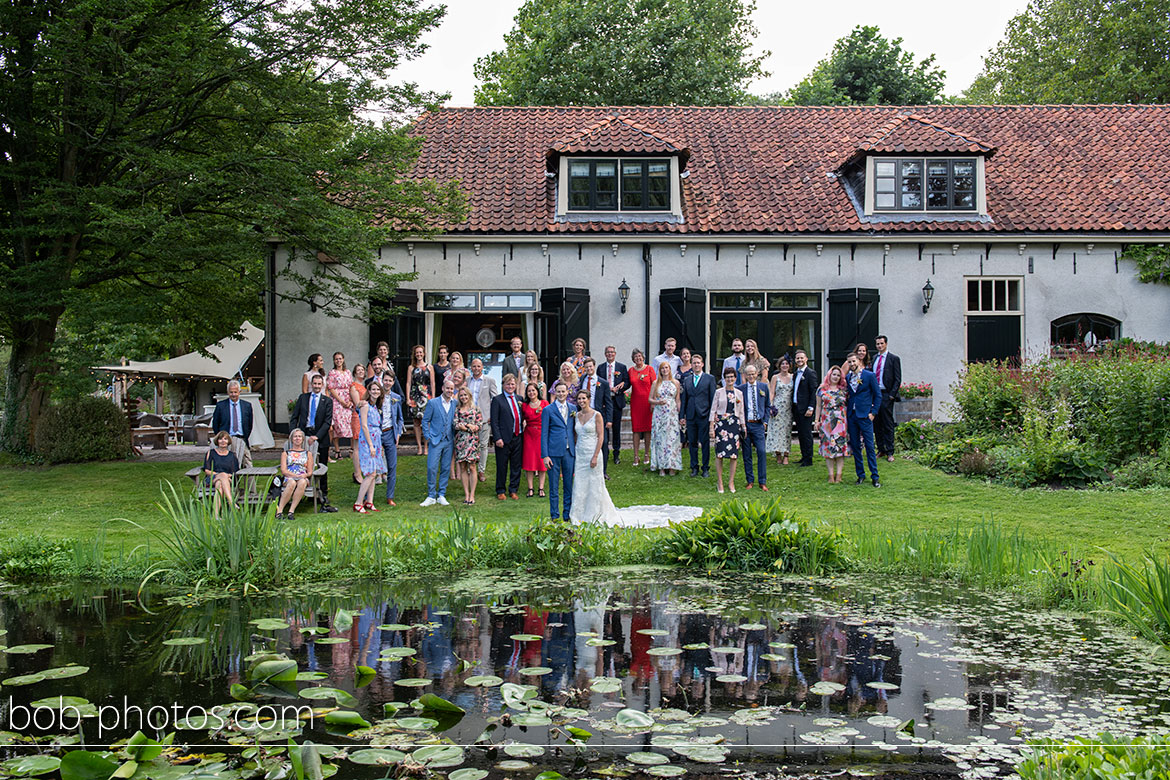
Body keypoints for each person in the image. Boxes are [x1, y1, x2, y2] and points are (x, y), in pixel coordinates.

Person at [570, 388, 623, 524]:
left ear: (589, 399)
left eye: (584, 398)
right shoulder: (577, 415)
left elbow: (601, 437)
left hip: (593, 452)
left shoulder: (597, 415)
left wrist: (595, 456)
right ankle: (578, 514)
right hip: (580, 453)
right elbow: (576, 435)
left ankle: (595, 514)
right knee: (580, 484)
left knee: (594, 484)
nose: (581, 401)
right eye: (579, 399)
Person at [288, 373, 338, 512]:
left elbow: (328, 421)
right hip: (304, 434)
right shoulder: (303, 398)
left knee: (321, 465)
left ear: (322, 385)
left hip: (320, 437)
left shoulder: (327, 401)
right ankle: (304, 491)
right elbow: (295, 417)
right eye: (314, 384)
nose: (316, 386)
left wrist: (317, 436)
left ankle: (323, 493)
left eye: (318, 384)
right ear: (311, 385)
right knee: (303, 464)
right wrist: (294, 434)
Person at [845, 352, 882, 487]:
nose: (852, 364)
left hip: (865, 416)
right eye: (849, 362)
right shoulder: (848, 377)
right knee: (855, 446)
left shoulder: (869, 375)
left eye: (853, 361)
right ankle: (860, 475)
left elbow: (878, 396)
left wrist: (873, 412)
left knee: (870, 447)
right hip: (852, 416)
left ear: (858, 361)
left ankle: (875, 476)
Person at [541, 382, 576, 520]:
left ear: (568, 392)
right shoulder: (548, 410)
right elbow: (544, 433)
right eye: (558, 392)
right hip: (553, 452)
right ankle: (554, 516)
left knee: (568, 486)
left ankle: (567, 514)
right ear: (555, 392)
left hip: (569, 452)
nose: (561, 394)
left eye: (563, 391)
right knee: (554, 487)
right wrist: (545, 455)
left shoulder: (573, 408)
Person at [420, 378, 457, 506]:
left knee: (446, 468)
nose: (449, 390)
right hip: (435, 440)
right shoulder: (433, 403)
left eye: (452, 389)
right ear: (443, 388)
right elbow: (425, 421)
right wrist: (427, 435)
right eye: (447, 388)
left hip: (449, 440)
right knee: (432, 467)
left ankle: (441, 494)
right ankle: (431, 495)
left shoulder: (455, 404)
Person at [679, 353, 716, 477]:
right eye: (694, 363)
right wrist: (682, 416)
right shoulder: (687, 379)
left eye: (698, 363)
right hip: (691, 415)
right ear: (692, 365)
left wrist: (712, 416)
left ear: (702, 364)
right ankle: (694, 467)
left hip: (704, 414)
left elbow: (712, 399)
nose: (696, 365)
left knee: (705, 443)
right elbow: (684, 399)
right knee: (692, 442)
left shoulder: (709, 378)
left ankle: (705, 468)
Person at [710, 367, 746, 493]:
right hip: (721, 425)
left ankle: (731, 482)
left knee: (733, 456)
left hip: (734, 425)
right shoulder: (719, 392)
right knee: (720, 455)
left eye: (732, 377)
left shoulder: (739, 393)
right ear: (724, 379)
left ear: (735, 378)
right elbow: (713, 410)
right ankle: (720, 482)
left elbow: (741, 411)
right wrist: (711, 427)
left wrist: (743, 426)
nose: (730, 379)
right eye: (727, 377)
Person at [490, 373, 524, 500]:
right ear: (503, 385)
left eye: (512, 384)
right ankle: (500, 490)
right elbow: (494, 421)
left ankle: (513, 490)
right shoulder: (497, 400)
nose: (510, 386)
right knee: (502, 465)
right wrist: (497, 437)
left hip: (518, 436)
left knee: (516, 465)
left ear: (516, 385)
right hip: (503, 439)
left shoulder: (520, 399)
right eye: (508, 384)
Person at [354, 380, 386, 513]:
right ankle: (358, 502)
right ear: (369, 391)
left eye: (378, 390)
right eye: (373, 389)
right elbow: (365, 426)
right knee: (370, 473)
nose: (376, 392)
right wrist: (371, 446)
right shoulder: (365, 405)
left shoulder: (375, 407)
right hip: (368, 441)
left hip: (376, 440)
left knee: (374, 473)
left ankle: (370, 501)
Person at [737, 364, 770, 491]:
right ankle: (750, 480)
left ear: (757, 374)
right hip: (746, 424)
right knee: (747, 454)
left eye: (753, 374)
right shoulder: (740, 389)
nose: (751, 376)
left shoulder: (763, 387)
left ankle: (762, 481)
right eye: (748, 374)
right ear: (745, 375)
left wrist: (765, 421)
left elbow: (767, 406)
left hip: (758, 424)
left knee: (761, 452)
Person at [816, 365, 851, 483]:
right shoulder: (822, 389)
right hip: (826, 422)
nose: (835, 377)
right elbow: (818, 406)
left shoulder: (844, 390)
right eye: (833, 374)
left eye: (838, 375)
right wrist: (817, 420)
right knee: (828, 450)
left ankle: (839, 475)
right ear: (829, 375)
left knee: (840, 448)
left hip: (841, 422)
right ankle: (831, 475)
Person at [467, 358, 498, 482]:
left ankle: (481, 470)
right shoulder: (467, 381)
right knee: (471, 445)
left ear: (482, 367)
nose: (476, 368)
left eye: (478, 366)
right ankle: (470, 469)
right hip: (469, 418)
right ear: (471, 367)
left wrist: (492, 415)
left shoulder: (489, 381)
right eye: (474, 366)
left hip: (484, 417)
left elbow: (495, 399)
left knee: (483, 445)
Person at [648, 361, 682, 476]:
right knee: (660, 439)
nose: (664, 370)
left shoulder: (676, 383)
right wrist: (658, 402)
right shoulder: (655, 383)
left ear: (670, 369)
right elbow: (650, 399)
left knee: (672, 439)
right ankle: (661, 466)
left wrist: (679, 414)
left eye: (666, 368)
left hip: (672, 414)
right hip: (659, 414)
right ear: (660, 370)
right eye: (662, 368)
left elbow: (678, 399)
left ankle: (672, 466)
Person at [872, 335, 902, 462]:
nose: (879, 346)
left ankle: (890, 451)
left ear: (886, 344)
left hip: (886, 394)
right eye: (877, 344)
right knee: (877, 423)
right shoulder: (874, 358)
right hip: (875, 394)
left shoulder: (893, 358)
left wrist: (891, 395)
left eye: (881, 343)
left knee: (888, 423)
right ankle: (881, 449)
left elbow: (897, 378)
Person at [597, 345, 628, 464]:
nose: (610, 354)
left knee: (616, 428)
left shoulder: (622, 367)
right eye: (608, 352)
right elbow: (598, 382)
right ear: (605, 354)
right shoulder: (600, 368)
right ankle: (605, 451)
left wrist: (620, 388)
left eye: (612, 352)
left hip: (617, 401)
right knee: (604, 427)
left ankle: (616, 453)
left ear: (615, 354)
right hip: (605, 402)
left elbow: (627, 382)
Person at [211, 379, 253, 468]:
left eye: (235, 392)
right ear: (227, 392)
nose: (233, 394)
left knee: (248, 464)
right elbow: (215, 424)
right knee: (226, 465)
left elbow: (249, 424)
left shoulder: (247, 406)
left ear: (239, 392)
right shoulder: (221, 406)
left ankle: (251, 482)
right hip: (226, 440)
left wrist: (245, 436)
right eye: (231, 392)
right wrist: (221, 438)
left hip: (242, 439)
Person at [453, 387, 483, 505]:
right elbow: (455, 424)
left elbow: (479, 425)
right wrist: (467, 426)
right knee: (463, 468)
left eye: (465, 395)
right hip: (460, 441)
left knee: (472, 467)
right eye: (461, 395)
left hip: (473, 441)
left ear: (469, 395)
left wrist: (471, 426)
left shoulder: (476, 410)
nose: (463, 397)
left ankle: (472, 495)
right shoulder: (457, 410)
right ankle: (466, 495)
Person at [275, 428, 314, 520]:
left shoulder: (308, 454)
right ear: (292, 439)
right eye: (295, 436)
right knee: (292, 483)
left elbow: (310, 471)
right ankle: (279, 511)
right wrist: (294, 475)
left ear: (303, 439)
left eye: (299, 436)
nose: (297, 438)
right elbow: (283, 470)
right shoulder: (286, 453)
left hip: (302, 476)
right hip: (289, 476)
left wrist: (304, 475)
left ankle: (291, 511)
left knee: (302, 482)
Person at [627, 348, 656, 466]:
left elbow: (655, 385)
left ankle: (646, 454)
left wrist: (654, 401)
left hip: (648, 402)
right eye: (635, 357)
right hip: (636, 403)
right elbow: (627, 383)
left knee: (648, 429)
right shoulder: (630, 371)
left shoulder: (650, 369)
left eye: (639, 356)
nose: (638, 358)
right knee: (636, 429)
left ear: (643, 357)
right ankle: (636, 455)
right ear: (633, 359)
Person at [380, 376, 405, 506]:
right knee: (373, 466)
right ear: (382, 381)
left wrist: (398, 434)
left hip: (390, 433)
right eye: (386, 380)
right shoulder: (376, 394)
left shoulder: (396, 397)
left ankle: (390, 496)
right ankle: (368, 496)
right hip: (377, 433)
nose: (387, 383)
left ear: (393, 383)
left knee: (392, 466)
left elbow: (400, 418)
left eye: (390, 381)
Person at [405, 345, 435, 456]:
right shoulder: (411, 368)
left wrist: (434, 398)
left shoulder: (430, 367)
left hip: (427, 396)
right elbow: (408, 383)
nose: (419, 354)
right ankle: (419, 447)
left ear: (424, 353)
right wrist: (408, 398)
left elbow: (432, 383)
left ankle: (426, 446)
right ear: (414, 354)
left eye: (420, 352)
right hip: (415, 395)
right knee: (416, 422)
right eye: (417, 353)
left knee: (426, 422)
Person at [791, 349, 819, 467]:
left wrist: (811, 407)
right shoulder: (796, 373)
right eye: (798, 358)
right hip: (797, 407)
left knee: (807, 434)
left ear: (806, 359)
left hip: (806, 408)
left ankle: (809, 459)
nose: (800, 360)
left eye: (802, 358)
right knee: (801, 433)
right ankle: (804, 456)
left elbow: (813, 392)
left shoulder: (810, 373)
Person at [521, 381, 548, 497]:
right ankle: (530, 488)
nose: (531, 393)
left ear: (538, 392)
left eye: (533, 390)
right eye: (529, 391)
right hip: (529, 435)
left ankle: (541, 488)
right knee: (529, 461)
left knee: (541, 462)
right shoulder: (524, 405)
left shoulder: (544, 403)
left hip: (541, 434)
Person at [767, 356, 794, 466]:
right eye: (782, 364)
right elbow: (772, 392)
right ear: (779, 365)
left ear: (789, 365)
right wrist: (770, 406)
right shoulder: (775, 377)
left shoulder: (793, 377)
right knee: (777, 432)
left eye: (787, 364)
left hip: (789, 408)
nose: (784, 366)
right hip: (778, 408)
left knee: (787, 431)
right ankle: (778, 454)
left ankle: (786, 455)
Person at [203, 431, 239, 512]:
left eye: (225, 439)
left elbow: (234, 472)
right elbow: (207, 470)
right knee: (221, 477)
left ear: (228, 441)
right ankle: (231, 502)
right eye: (220, 439)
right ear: (217, 441)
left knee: (219, 484)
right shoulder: (211, 453)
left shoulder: (232, 455)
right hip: (212, 478)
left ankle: (215, 515)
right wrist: (221, 475)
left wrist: (224, 476)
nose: (223, 441)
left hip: (228, 479)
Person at [326, 352, 353, 461]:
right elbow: (331, 388)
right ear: (334, 361)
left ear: (343, 359)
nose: (338, 361)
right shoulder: (332, 373)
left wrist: (350, 400)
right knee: (336, 425)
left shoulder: (347, 372)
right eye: (336, 359)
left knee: (351, 424)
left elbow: (351, 386)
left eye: (340, 358)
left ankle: (352, 449)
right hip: (337, 400)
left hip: (348, 398)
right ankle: (337, 450)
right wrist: (341, 401)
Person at [349, 363, 368, 483]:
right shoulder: (354, 386)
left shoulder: (363, 386)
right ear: (355, 373)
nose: (361, 372)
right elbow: (358, 403)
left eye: (362, 370)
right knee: (356, 446)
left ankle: (362, 470)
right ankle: (357, 473)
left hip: (365, 416)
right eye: (358, 370)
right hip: (357, 417)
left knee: (362, 446)